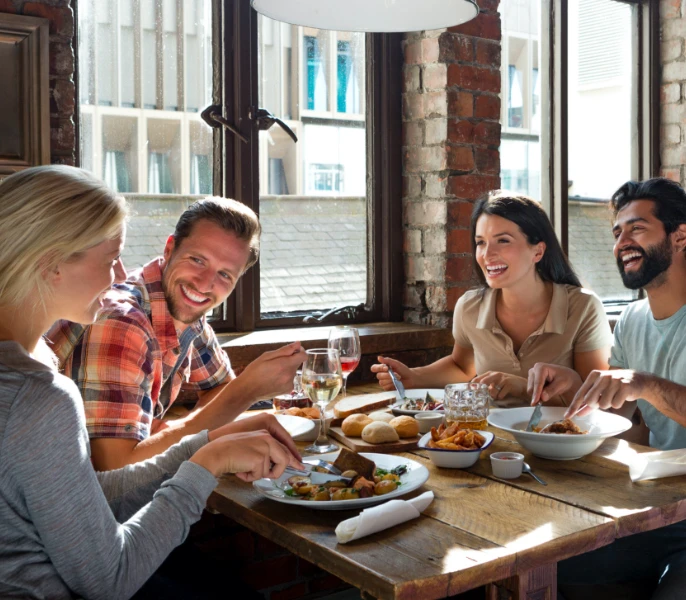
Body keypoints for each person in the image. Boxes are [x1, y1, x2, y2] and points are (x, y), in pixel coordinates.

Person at [0, 165, 301, 599]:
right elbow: (109, 581)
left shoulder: (33, 360)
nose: (118, 273)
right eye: (109, 259)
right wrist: (205, 466)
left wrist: (204, 447)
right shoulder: (38, 397)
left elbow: (83, 495)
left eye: (225, 275)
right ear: (50, 264)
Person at [48, 195, 306, 470]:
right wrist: (246, 392)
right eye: (197, 260)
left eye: (225, 275)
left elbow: (218, 387)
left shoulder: (183, 308)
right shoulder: (121, 322)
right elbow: (116, 473)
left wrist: (174, 435)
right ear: (170, 248)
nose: (205, 284)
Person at [528, 177, 686, 599]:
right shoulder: (632, 320)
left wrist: (643, 382)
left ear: (681, 235)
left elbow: (641, 389)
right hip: (659, 509)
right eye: (617, 233)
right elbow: (626, 423)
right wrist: (575, 388)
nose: (622, 242)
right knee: (545, 571)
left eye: (637, 228)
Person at [372, 190, 612, 406]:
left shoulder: (583, 307)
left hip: (564, 445)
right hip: (493, 439)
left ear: (537, 250)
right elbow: (462, 367)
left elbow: (596, 399)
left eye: (503, 241)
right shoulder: (470, 307)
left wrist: (522, 387)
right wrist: (414, 376)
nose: (487, 254)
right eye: (481, 243)